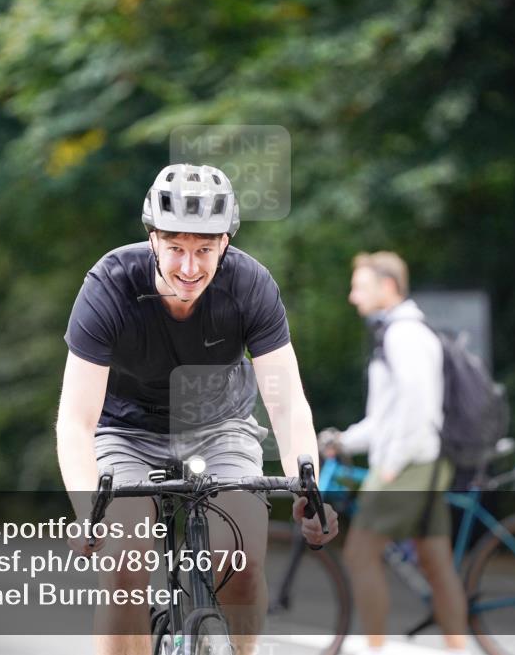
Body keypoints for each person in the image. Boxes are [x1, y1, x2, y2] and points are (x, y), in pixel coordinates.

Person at [56, 163, 337, 655]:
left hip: (219, 426)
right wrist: (87, 510)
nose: (190, 267)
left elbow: (287, 403)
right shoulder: (109, 286)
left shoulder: (251, 286)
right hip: (126, 432)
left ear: (226, 243)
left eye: (205, 250)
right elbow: (76, 420)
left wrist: (305, 489)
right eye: (176, 248)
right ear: (152, 240)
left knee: (244, 559)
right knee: (126, 558)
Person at [323, 251, 468, 654]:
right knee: (436, 563)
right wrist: (345, 441)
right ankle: (458, 647)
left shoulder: (404, 335)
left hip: (412, 464)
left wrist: (389, 467)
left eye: (360, 287)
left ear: (387, 287)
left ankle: (374, 647)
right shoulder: (399, 332)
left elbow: (417, 408)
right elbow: (385, 418)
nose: (353, 296)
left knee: (359, 554)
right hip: (425, 460)